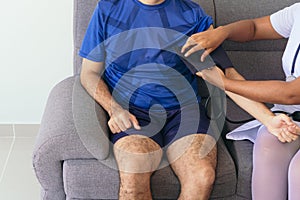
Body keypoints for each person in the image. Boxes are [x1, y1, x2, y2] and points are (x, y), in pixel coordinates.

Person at [79, 0, 298, 199]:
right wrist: (113, 108)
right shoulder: (109, 8)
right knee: (133, 181)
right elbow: (88, 73)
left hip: (184, 113)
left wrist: (269, 120)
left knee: (201, 176)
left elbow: (225, 78)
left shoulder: (191, 15)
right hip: (133, 111)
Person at [182, 2, 300, 200]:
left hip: (292, 99)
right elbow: (254, 28)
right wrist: (223, 32)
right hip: (292, 115)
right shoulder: (299, 11)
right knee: (269, 143)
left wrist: (224, 82)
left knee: (298, 170)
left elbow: (292, 93)